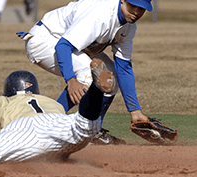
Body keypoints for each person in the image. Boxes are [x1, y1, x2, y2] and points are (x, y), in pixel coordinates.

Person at [0, 59, 115, 171]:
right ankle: (96, 89)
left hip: (24, 130)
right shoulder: (50, 102)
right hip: (58, 121)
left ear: (9, 90)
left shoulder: (8, 101)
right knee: (85, 125)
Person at [17, 0, 152, 133]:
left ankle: (94, 131)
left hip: (72, 45)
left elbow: (123, 67)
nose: (136, 12)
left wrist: (135, 111)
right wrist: (71, 80)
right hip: (45, 40)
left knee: (109, 78)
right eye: (133, 5)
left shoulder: (128, 26)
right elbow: (63, 46)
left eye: (141, 8)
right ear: (123, 0)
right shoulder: (100, 15)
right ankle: (47, 126)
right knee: (89, 75)